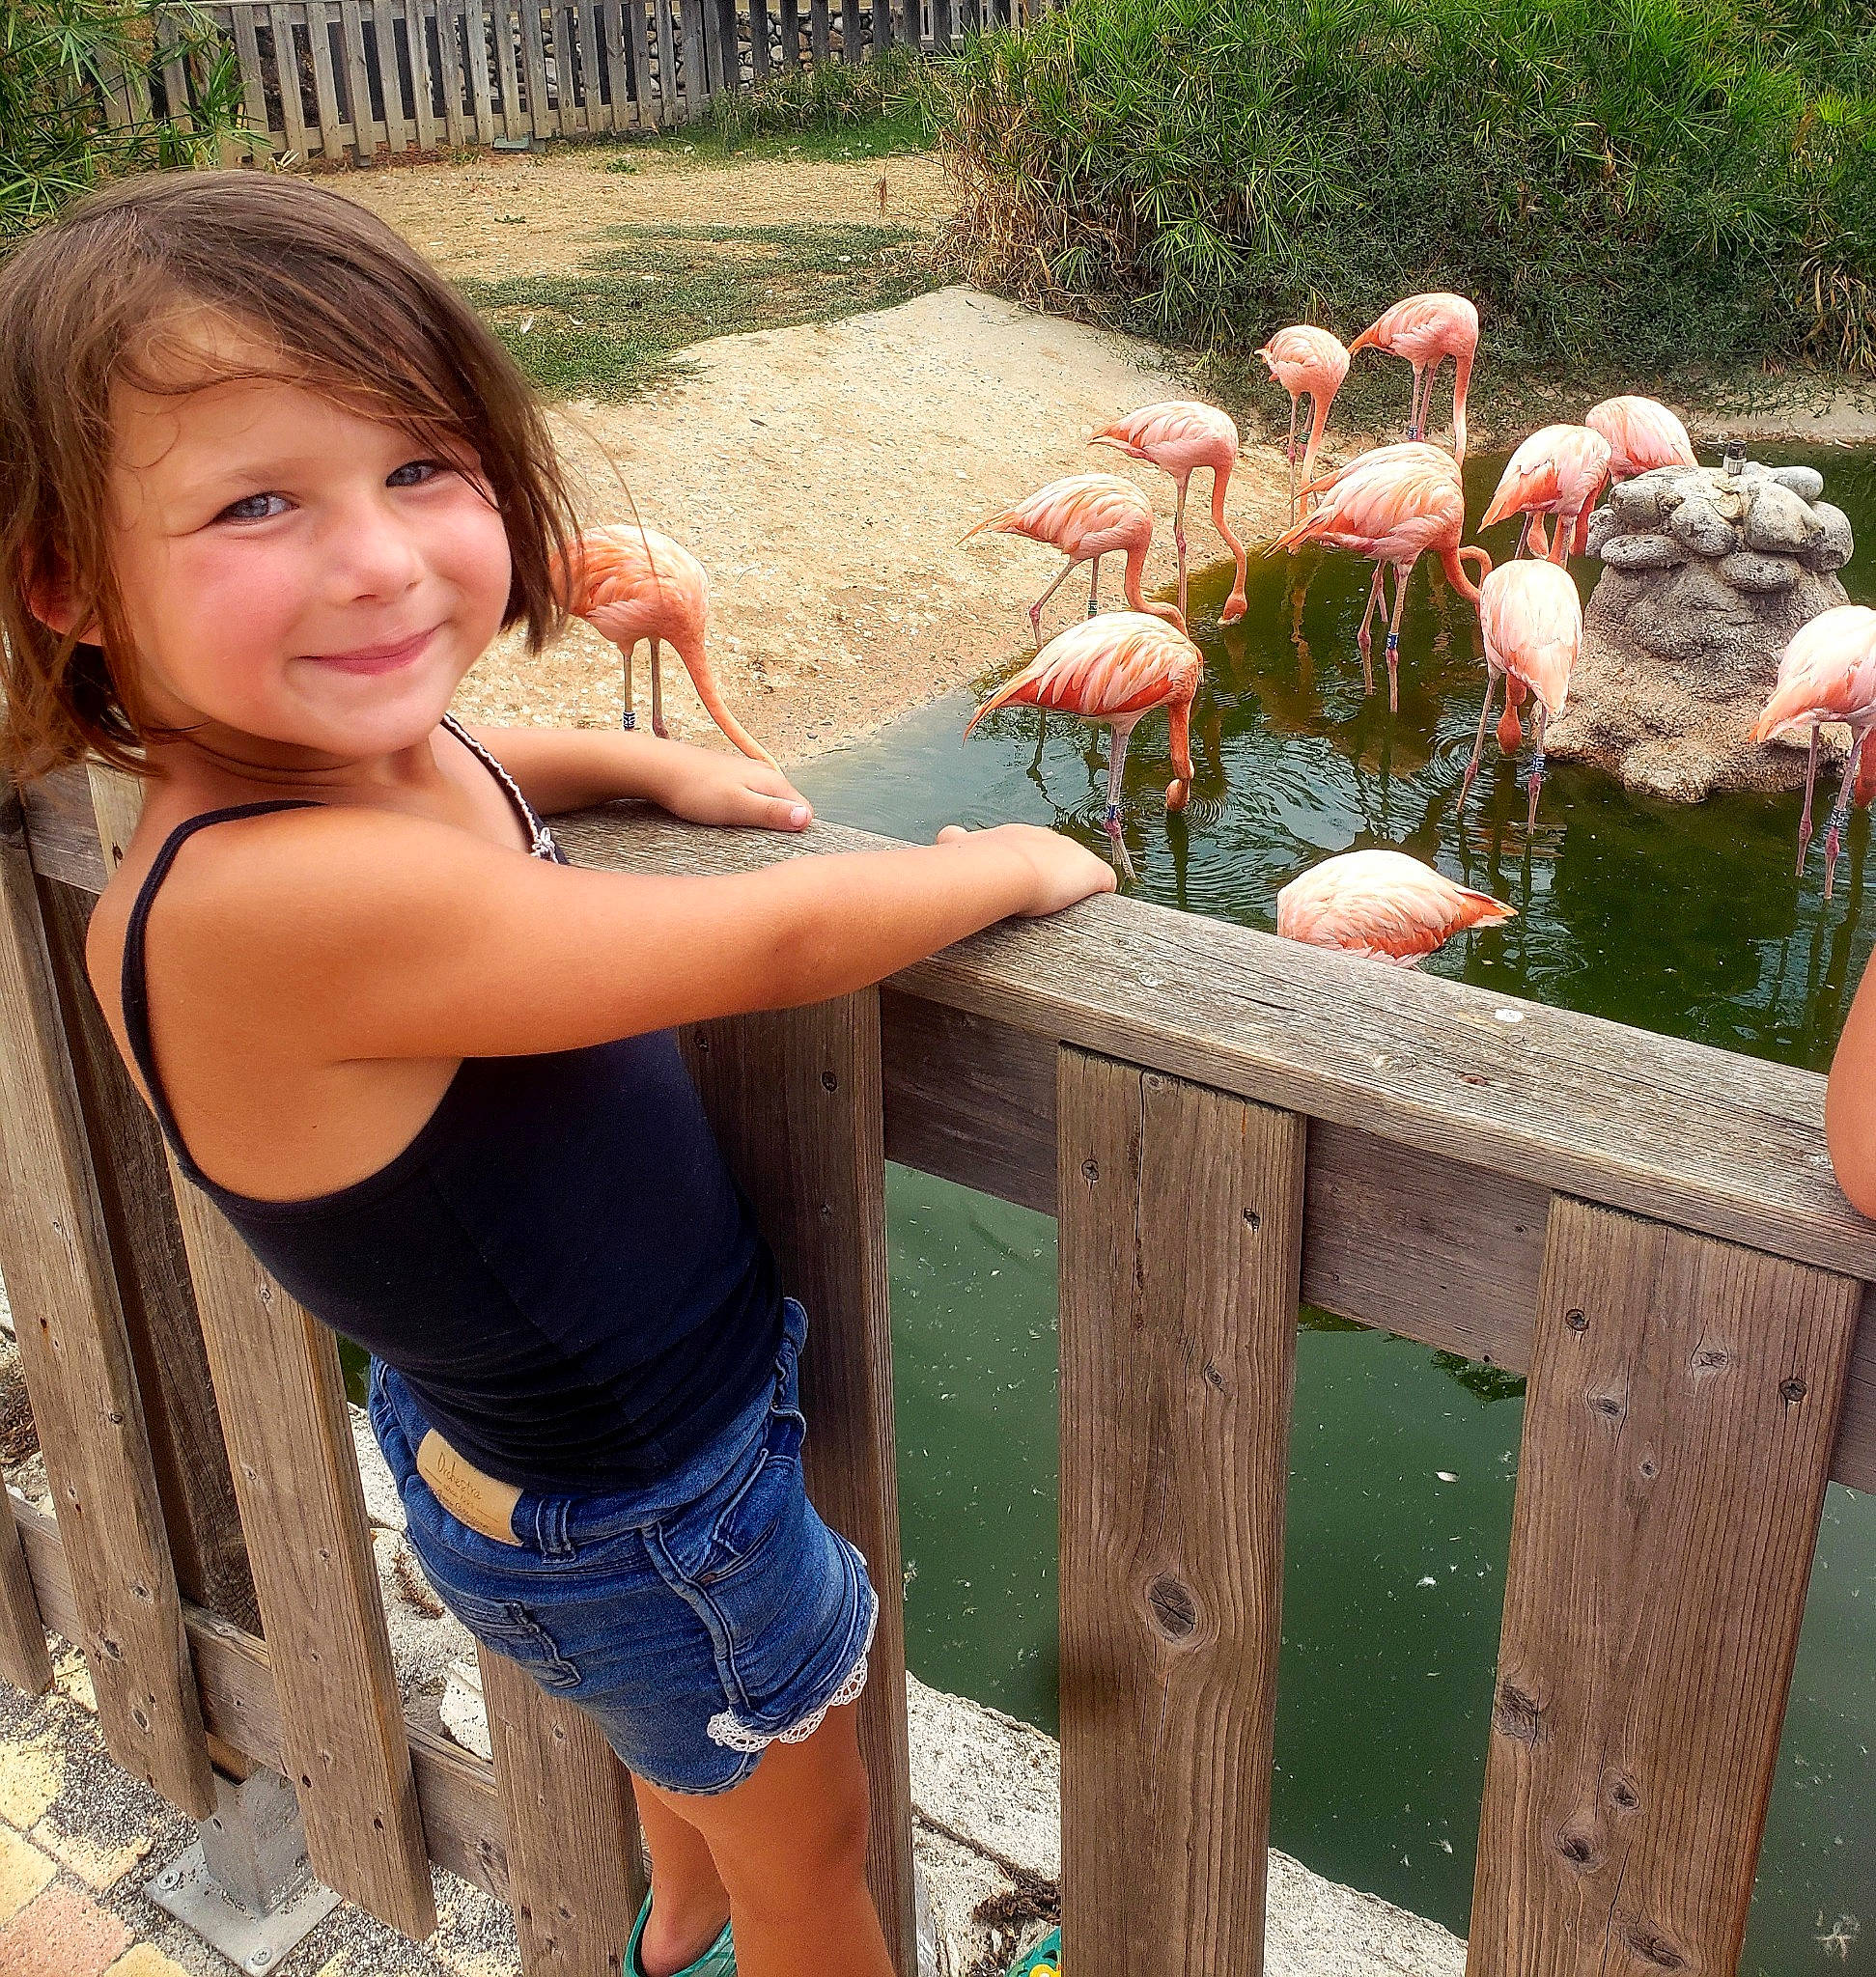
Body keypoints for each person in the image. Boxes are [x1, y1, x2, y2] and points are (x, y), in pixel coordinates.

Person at [0, 172, 1115, 1977]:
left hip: (539, 1448)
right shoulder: (274, 907)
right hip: (645, 1509)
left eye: (421, 469)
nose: (375, 559)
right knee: (818, 1858)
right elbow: (758, 947)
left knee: (694, 1772)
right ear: (70, 584)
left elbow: (468, 754)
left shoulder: (306, 776)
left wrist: (632, 766)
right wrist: (994, 865)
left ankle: (673, 1931)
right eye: (259, 501)